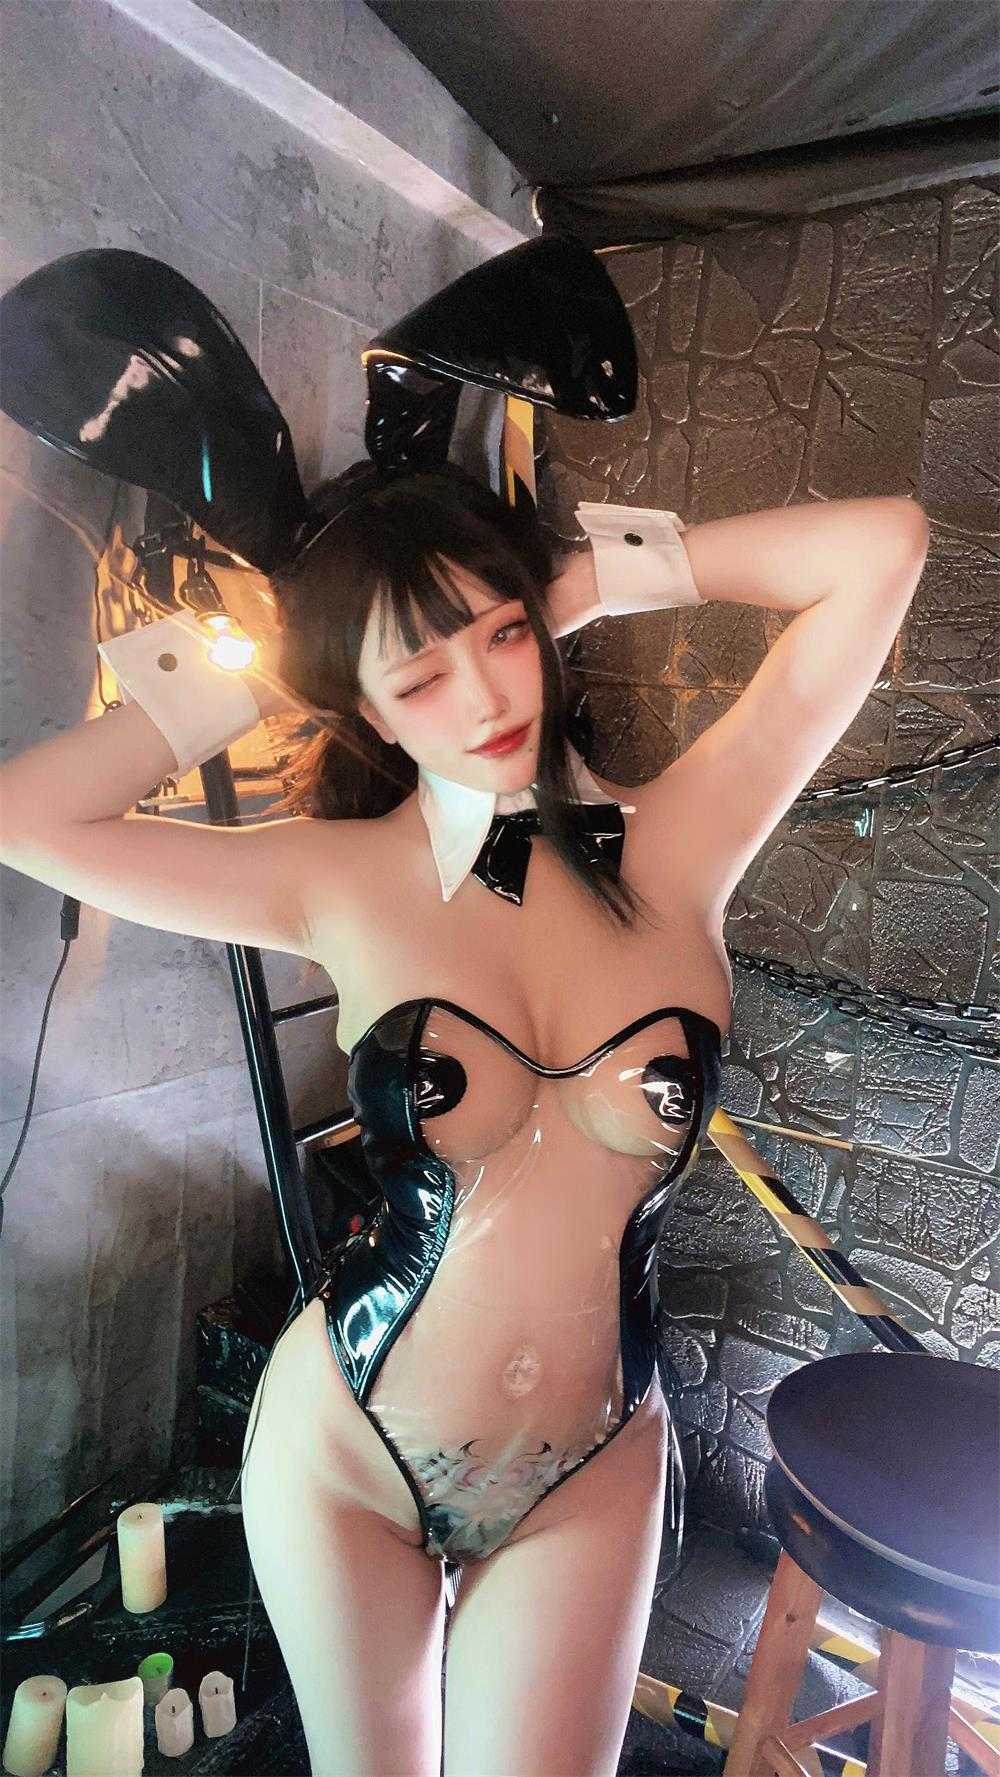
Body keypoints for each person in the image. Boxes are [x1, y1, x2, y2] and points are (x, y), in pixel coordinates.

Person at [0, 457, 929, 1777]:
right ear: (367, 708)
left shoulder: (684, 839)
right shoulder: (338, 879)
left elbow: (884, 542)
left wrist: (588, 576)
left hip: (591, 1459)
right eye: (421, 675)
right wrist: (266, 666)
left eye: (502, 635)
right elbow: (25, 815)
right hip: (349, 1452)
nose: (487, 695)